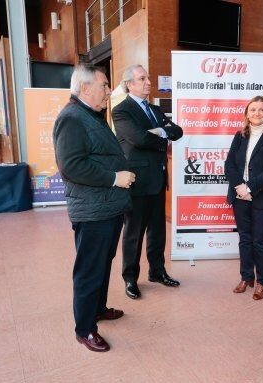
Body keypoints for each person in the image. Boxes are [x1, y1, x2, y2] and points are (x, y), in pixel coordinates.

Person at [53, 65, 136, 352]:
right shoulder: (72, 118)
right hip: (92, 212)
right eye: (103, 85)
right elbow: (71, 166)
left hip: (107, 208)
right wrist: (115, 177)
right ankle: (85, 329)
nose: (108, 90)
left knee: (102, 264)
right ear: (85, 88)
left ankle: (97, 309)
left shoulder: (92, 116)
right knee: (90, 270)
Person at [112, 65, 184, 300]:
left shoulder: (154, 109)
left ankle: (157, 271)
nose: (148, 82)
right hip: (137, 181)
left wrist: (160, 131)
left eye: (148, 77)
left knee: (157, 231)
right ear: (129, 84)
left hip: (158, 178)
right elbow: (140, 139)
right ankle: (130, 279)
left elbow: (178, 131)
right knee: (134, 233)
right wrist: (163, 132)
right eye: (142, 78)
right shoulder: (122, 111)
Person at [225, 96, 263, 300]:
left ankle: (262, 282)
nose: (257, 113)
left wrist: (249, 187)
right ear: (247, 113)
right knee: (245, 238)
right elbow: (229, 165)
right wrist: (239, 187)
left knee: (261, 240)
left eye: (261, 110)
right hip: (239, 194)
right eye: (253, 110)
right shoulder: (240, 135)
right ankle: (246, 277)